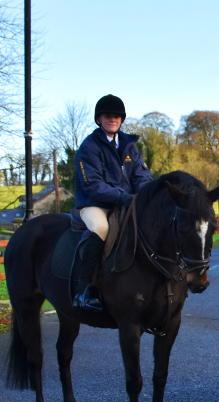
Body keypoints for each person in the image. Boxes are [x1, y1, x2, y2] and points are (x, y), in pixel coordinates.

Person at [72, 94, 153, 312]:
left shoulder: (130, 145)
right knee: (101, 228)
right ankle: (83, 290)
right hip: (94, 203)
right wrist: (125, 197)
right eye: (107, 115)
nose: (113, 119)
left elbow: (141, 175)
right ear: (99, 119)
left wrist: (146, 194)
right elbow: (93, 184)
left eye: (117, 116)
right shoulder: (89, 147)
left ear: (122, 119)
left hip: (126, 202)